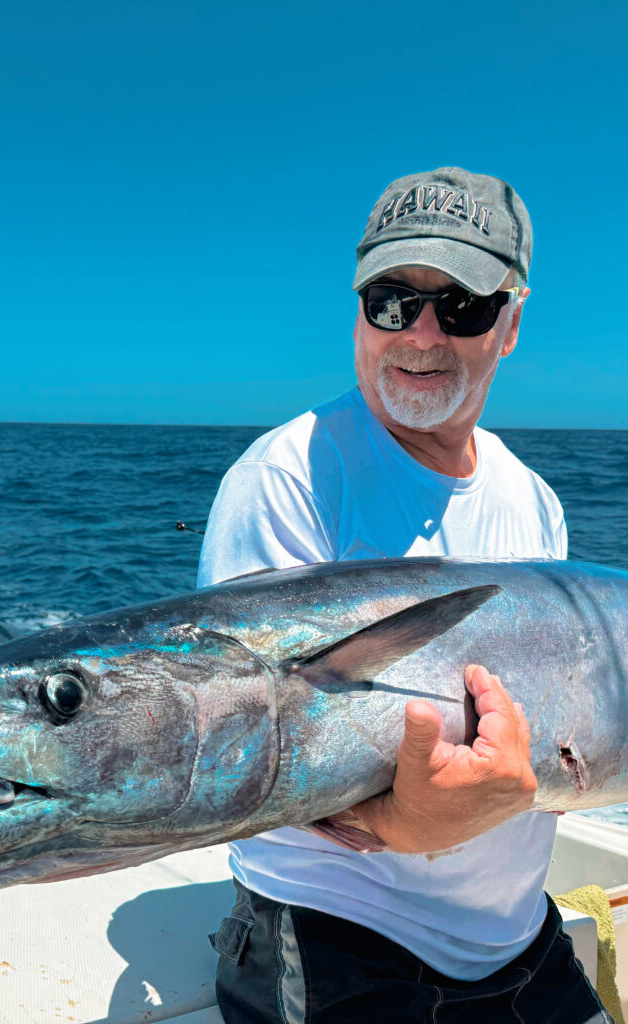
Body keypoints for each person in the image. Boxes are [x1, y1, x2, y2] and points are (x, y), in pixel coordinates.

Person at [198, 168, 612, 1023]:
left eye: (461, 306)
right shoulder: (289, 478)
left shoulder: (534, 500)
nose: (421, 335)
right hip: (335, 938)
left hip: (516, 940)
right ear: (357, 309)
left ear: (512, 324)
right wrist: (405, 829)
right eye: (392, 301)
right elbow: (236, 754)